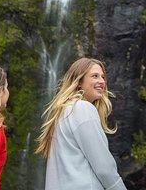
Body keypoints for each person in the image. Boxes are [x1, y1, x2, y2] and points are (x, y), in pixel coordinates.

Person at [36, 57, 127, 190]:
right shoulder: (83, 109)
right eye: (95, 76)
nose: (101, 81)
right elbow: (104, 168)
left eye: (102, 77)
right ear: (79, 81)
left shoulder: (63, 112)